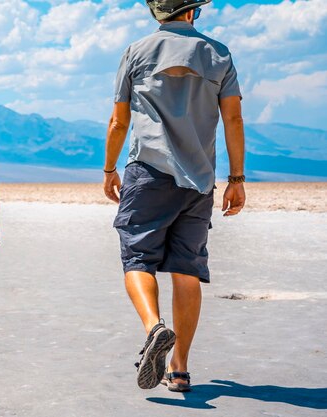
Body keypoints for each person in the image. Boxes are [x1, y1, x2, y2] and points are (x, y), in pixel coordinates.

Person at [103, 0, 246, 392]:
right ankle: (179, 370)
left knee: (137, 258)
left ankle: (154, 329)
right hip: (199, 182)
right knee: (186, 270)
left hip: (148, 173)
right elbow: (233, 118)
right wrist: (236, 177)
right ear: (190, 12)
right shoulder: (218, 53)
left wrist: (109, 169)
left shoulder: (136, 52)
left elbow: (119, 120)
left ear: (157, 14)